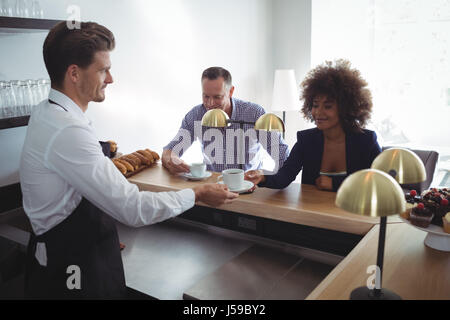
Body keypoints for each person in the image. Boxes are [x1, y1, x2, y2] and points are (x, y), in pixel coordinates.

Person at [19, 21, 238, 299]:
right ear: (74, 73)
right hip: (72, 272)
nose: (110, 79)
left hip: (62, 258)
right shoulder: (67, 130)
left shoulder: (46, 112)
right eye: (103, 70)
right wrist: (197, 194)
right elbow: (133, 208)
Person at [245, 59, 381, 192]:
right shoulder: (307, 140)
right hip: (311, 212)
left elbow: (379, 182)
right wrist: (262, 178)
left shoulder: (366, 141)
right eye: (315, 105)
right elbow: (284, 176)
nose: (318, 112)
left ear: (345, 108)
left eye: (327, 106)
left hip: (353, 212)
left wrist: (335, 184)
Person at [162, 66, 289, 175]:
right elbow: (170, 151)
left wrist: (265, 176)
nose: (210, 104)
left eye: (217, 97)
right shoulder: (196, 115)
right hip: (212, 188)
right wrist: (172, 159)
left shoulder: (254, 113)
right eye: (206, 96)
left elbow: (283, 155)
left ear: (231, 91)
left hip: (249, 187)